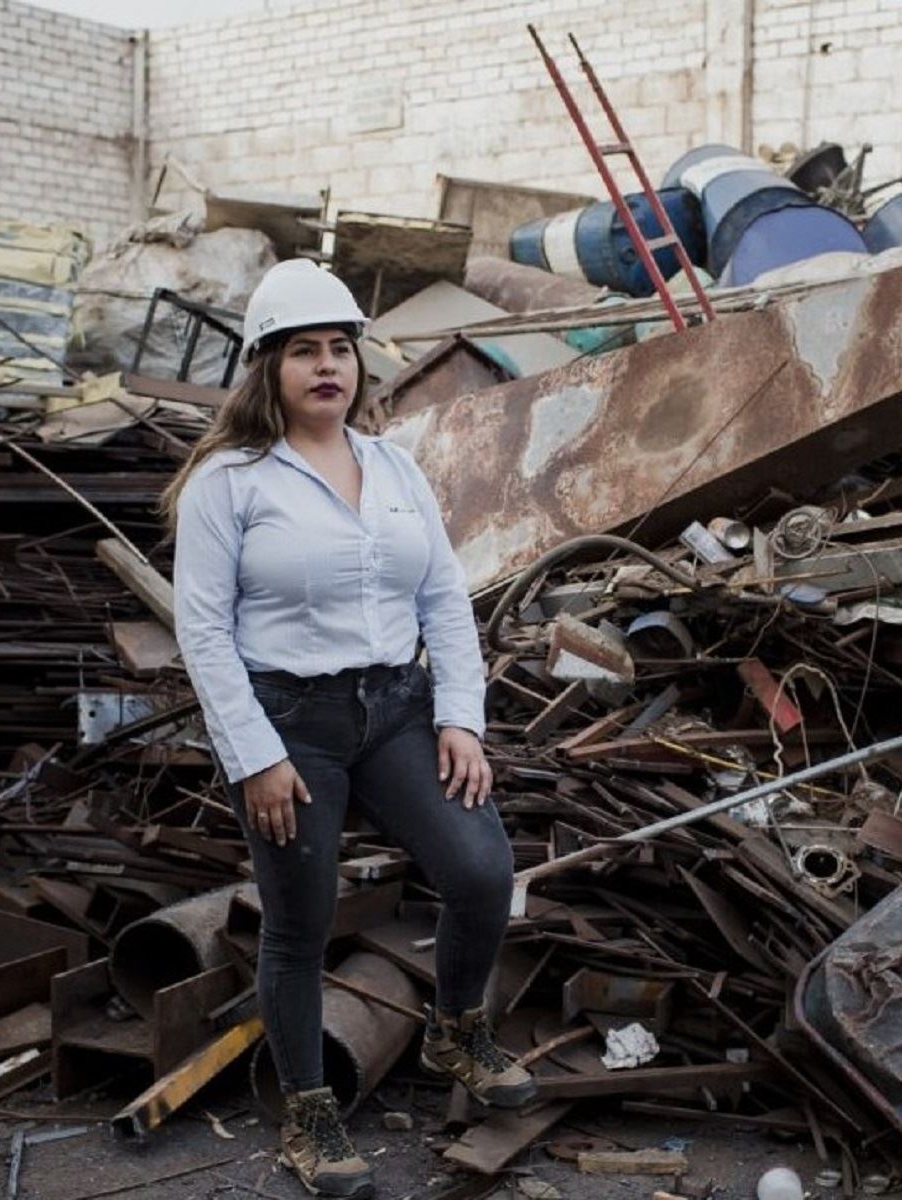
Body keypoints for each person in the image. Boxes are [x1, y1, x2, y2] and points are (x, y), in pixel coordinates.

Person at [164, 260, 536, 1199]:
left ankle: (457, 1029)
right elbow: (202, 632)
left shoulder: (397, 465)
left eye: (340, 350)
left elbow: (446, 599)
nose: (328, 367)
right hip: (292, 724)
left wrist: (460, 718)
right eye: (304, 352)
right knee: (300, 921)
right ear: (267, 368)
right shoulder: (230, 481)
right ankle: (308, 1113)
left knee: (481, 869)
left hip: (397, 711)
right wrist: (256, 758)